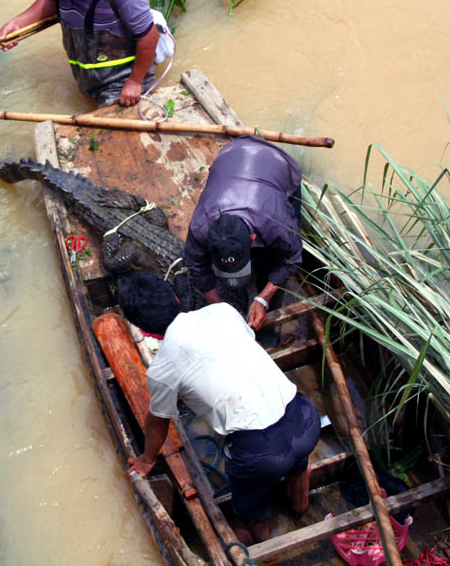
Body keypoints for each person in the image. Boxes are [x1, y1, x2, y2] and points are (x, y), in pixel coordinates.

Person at [119, 271, 320, 543]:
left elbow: (158, 421)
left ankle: (269, 546)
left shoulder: (162, 367)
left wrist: (147, 459)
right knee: (297, 462)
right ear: (176, 298)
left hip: (261, 454)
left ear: (144, 331)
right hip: (305, 419)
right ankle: (300, 506)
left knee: (249, 509)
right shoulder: (223, 311)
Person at [0, 0, 159, 108]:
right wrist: (18, 23)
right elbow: (51, 1)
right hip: (88, 79)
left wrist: (135, 81)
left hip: (121, 81)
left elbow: (150, 36)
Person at [184, 135, 303, 331]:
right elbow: (197, 266)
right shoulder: (200, 227)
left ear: (252, 237)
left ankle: (267, 323)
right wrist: (220, 308)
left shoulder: (276, 221)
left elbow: (292, 255)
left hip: (276, 163)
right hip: (230, 156)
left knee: (274, 258)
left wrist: (263, 299)